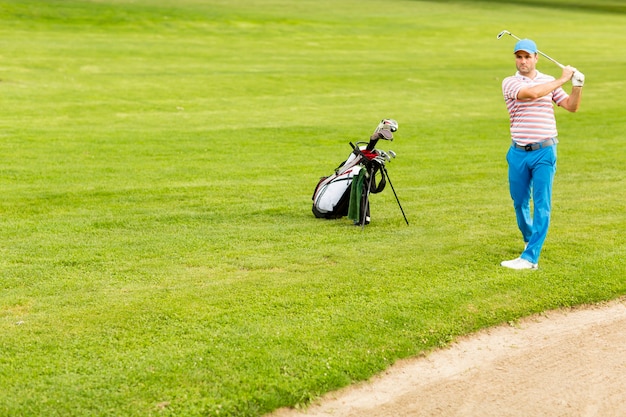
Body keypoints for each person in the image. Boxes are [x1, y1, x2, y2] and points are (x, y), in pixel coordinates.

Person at [500, 39, 584, 270]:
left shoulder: (549, 81)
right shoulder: (510, 82)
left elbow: (570, 106)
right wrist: (563, 78)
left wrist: (577, 86)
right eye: (519, 57)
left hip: (545, 150)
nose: (523, 61)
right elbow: (531, 94)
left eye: (528, 57)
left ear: (536, 57)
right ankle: (530, 237)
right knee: (519, 202)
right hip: (518, 152)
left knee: (542, 203)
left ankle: (530, 257)